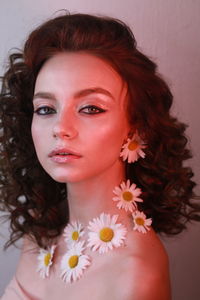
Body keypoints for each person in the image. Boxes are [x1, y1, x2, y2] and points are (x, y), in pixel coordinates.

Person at [0, 12, 199, 300]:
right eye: (45, 109)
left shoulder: (133, 276)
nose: (60, 128)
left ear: (135, 127)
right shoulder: (39, 239)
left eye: (91, 108)